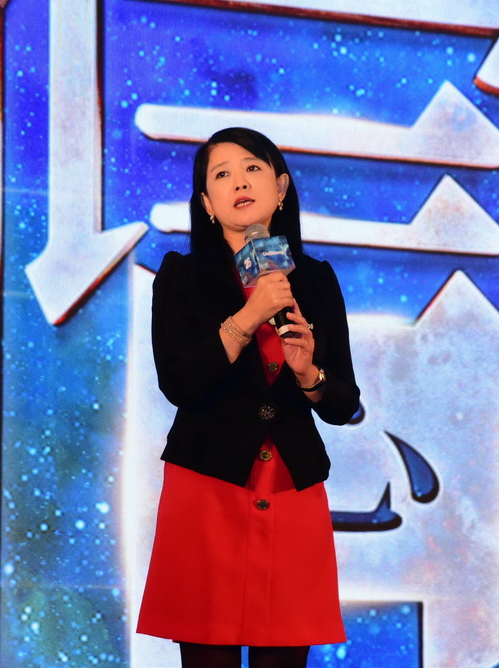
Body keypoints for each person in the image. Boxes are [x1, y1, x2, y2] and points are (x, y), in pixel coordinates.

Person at [136, 127, 360, 668]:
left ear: (280, 188)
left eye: (253, 168)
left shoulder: (316, 280)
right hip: (207, 489)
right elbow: (179, 384)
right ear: (207, 205)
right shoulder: (181, 276)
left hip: (292, 489)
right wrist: (247, 317)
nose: (240, 182)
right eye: (223, 174)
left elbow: (343, 403)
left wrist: (309, 373)